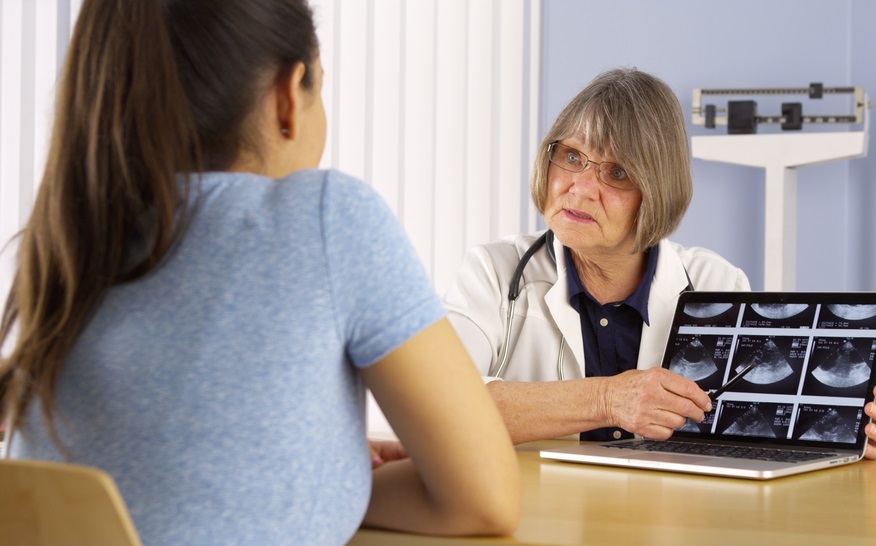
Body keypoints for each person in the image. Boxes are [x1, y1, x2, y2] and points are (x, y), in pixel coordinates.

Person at [0, 1, 519, 543]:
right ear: (287, 97)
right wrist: (340, 484)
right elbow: (485, 501)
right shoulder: (329, 217)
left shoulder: (68, 244)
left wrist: (306, 472)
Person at [444, 68, 876, 458]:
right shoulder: (494, 273)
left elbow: (753, 431)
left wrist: (842, 430)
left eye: (617, 172)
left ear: (658, 191)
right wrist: (607, 399)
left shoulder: (716, 282)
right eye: (573, 157)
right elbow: (439, 406)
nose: (579, 188)